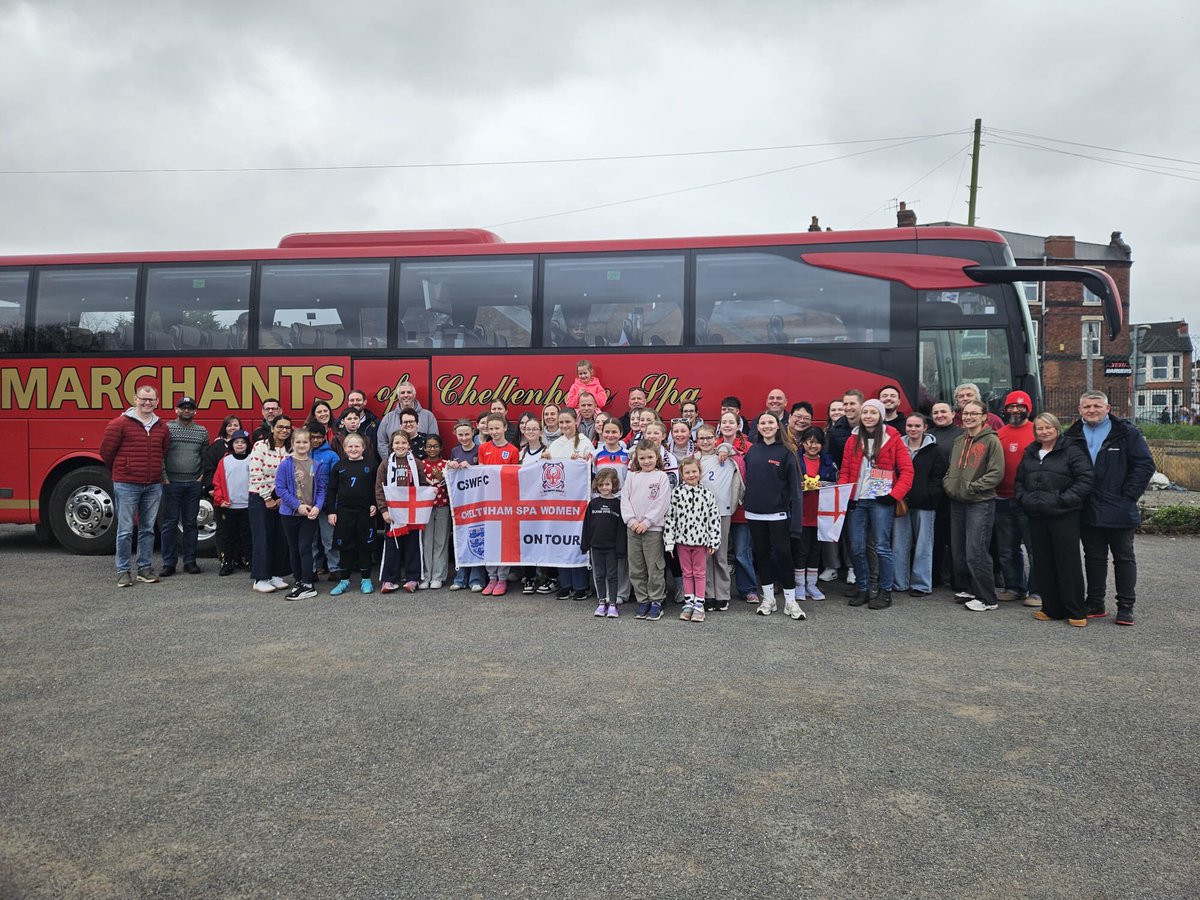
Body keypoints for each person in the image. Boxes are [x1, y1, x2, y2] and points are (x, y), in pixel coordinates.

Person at [1062, 390, 1155, 625]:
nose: (1092, 410)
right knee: (1093, 557)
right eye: (1087, 406)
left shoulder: (1126, 433)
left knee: (1123, 558)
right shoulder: (1071, 435)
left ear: (1108, 408)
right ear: (1080, 409)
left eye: (1097, 406)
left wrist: (1128, 496)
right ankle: (1095, 602)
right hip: (1087, 507)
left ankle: (1125, 606)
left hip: (1118, 507)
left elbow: (1144, 465)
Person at [1015, 413, 1094, 627]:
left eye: (1048, 427)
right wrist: (1025, 499)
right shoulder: (1031, 452)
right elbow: (1020, 480)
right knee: (1043, 563)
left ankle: (1076, 610)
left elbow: (1085, 480)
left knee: (1067, 562)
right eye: (1040, 428)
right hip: (1037, 515)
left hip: (1063, 515)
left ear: (1057, 428)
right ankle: (1051, 608)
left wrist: (1063, 500)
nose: (1044, 431)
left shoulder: (1071, 451)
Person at [838, 399, 913, 610]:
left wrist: (894, 495)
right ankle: (863, 587)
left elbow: (907, 470)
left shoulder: (893, 438)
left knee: (882, 547)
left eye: (873, 412)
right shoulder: (852, 439)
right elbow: (845, 471)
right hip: (857, 501)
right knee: (856, 546)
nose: (868, 416)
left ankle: (884, 591)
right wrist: (846, 496)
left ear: (880, 415)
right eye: (865, 412)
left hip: (882, 501)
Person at [100, 384, 171, 586]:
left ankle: (144, 569)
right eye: (143, 399)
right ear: (135, 399)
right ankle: (123, 571)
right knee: (125, 530)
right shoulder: (119, 424)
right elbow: (107, 453)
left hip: (153, 485)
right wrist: (124, 469)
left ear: (157, 402)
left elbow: (163, 452)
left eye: (151, 400)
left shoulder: (161, 427)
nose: (147, 403)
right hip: (127, 484)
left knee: (148, 529)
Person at [943, 399, 1005, 612]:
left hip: (980, 502)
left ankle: (987, 598)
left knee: (976, 551)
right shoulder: (959, 441)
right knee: (959, 549)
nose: (969, 417)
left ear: (984, 417)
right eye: (966, 413)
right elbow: (951, 468)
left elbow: (996, 473)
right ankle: (968, 589)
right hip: (957, 501)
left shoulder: (991, 441)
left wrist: (973, 487)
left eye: (974, 413)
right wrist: (949, 484)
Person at [744, 411, 804, 619]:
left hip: (778, 515)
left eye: (771, 422)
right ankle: (768, 599)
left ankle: (790, 601)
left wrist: (796, 524)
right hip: (754, 514)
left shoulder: (787, 452)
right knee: (761, 557)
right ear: (758, 427)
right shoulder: (752, 452)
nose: (767, 426)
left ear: (778, 426)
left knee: (784, 557)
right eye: (763, 423)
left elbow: (796, 491)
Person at [891, 414, 946, 598]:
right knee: (899, 545)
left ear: (925, 428)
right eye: (909, 425)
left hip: (925, 505)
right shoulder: (896, 446)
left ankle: (921, 585)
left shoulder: (935, 450)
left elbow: (938, 478)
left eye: (917, 426)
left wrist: (927, 496)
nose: (913, 429)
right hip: (900, 502)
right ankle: (899, 583)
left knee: (923, 546)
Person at [664, 457, 722, 623]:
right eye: (687, 472)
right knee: (687, 573)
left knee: (699, 573)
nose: (691, 475)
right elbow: (670, 518)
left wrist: (713, 541)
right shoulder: (676, 493)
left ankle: (699, 604)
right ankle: (689, 602)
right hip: (682, 542)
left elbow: (714, 519)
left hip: (700, 542)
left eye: (694, 471)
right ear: (682, 475)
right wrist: (669, 541)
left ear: (699, 473)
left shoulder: (707, 494)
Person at [545, 408, 595, 600]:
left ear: (576, 422)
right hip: (558, 501)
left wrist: (581, 461)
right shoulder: (555, 444)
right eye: (561, 423)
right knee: (561, 541)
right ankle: (565, 584)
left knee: (576, 541)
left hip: (578, 500)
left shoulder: (584, 442)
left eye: (567, 422)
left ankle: (581, 585)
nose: (564, 426)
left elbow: (590, 468)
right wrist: (545, 458)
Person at [994, 391, 1037, 604]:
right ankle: (1014, 587)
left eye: (1020, 407)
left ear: (1028, 409)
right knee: (1007, 547)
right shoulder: (999, 433)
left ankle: (1038, 591)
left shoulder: (1037, 431)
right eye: (1011, 406)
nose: (1015, 410)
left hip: (1027, 499)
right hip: (1001, 498)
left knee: (1033, 547)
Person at [159, 396, 209, 576]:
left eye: (190, 408)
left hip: (193, 484)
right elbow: (160, 454)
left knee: (190, 524)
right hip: (171, 483)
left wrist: (201, 476)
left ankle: (190, 561)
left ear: (195, 411)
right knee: (169, 524)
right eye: (183, 407)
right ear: (176, 410)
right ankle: (169, 563)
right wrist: (164, 477)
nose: (186, 410)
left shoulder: (202, 431)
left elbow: (205, 456)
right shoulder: (166, 428)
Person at [275, 426, 327, 601]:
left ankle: (308, 583)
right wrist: (297, 506)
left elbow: (321, 490)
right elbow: (281, 489)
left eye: (305, 442)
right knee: (294, 548)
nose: (302, 445)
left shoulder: (316, 465)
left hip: (309, 515)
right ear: (292, 443)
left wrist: (317, 507)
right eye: (298, 442)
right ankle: (298, 580)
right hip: (290, 514)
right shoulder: (285, 464)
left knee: (305, 547)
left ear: (310, 444)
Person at [622, 440, 672, 621]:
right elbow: (624, 500)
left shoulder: (661, 477)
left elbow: (662, 502)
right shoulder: (632, 476)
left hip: (653, 529)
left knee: (654, 566)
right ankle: (643, 599)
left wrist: (648, 521)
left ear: (657, 457)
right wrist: (632, 521)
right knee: (636, 566)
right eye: (642, 458)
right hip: (633, 528)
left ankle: (656, 600)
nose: (647, 461)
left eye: (650, 457)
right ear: (637, 459)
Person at [697, 423, 744, 612]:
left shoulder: (725, 457)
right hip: (700, 514)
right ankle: (708, 594)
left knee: (720, 556)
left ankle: (723, 594)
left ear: (715, 438)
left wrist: (724, 447)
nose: (706, 441)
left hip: (722, 512)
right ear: (697, 441)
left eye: (709, 438)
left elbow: (738, 454)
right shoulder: (696, 459)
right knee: (705, 557)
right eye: (702, 438)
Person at [376, 430, 427, 594]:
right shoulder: (385, 464)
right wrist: (383, 510)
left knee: (413, 545)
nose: (400, 446)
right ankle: (389, 579)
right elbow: (379, 489)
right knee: (392, 546)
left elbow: (423, 485)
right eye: (397, 443)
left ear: (409, 445)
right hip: (392, 512)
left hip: (412, 512)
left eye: (403, 443)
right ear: (392, 445)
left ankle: (413, 578)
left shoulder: (417, 463)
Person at [326, 433, 377, 596]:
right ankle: (344, 580)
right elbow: (332, 490)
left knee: (365, 547)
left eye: (357, 446)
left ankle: (366, 579)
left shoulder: (372, 465)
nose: (353, 449)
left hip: (364, 513)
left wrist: (375, 504)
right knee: (345, 547)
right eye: (350, 446)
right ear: (344, 448)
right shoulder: (339, 466)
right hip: (344, 513)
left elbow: (378, 489)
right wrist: (331, 511)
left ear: (363, 448)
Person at [248, 416, 293, 594]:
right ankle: (260, 577)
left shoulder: (290, 449)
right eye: (280, 427)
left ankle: (276, 574)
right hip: (260, 496)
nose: (284, 430)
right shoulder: (260, 447)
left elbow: (293, 474)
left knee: (280, 537)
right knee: (263, 537)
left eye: (287, 427)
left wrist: (283, 497)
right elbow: (255, 473)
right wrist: (267, 498)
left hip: (282, 496)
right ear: (272, 428)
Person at [477, 413, 520, 596]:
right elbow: (479, 474)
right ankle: (491, 577)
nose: (494, 432)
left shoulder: (512, 450)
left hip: (506, 502)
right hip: (488, 501)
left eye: (497, 428)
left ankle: (502, 578)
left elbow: (514, 477)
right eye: (491, 428)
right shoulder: (483, 448)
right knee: (490, 540)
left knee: (505, 540)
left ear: (504, 428)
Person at [793, 426, 837, 601]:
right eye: (809, 442)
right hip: (801, 513)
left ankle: (812, 584)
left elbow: (836, 483)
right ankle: (799, 585)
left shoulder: (828, 462)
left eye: (817, 442)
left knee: (815, 551)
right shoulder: (795, 459)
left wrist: (822, 484)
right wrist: (802, 486)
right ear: (803, 442)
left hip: (821, 515)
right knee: (801, 550)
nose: (813, 446)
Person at [446, 419, 486, 593]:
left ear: (473, 432)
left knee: (477, 539)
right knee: (461, 539)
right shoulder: (454, 451)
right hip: (461, 503)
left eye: (467, 434)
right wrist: (450, 465)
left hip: (478, 501)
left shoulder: (480, 450)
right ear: (456, 434)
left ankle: (476, 579)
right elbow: (448, 474)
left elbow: (485, 471)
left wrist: (471, 467)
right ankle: (460, 577)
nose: (464, 438)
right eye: (460, 435)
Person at [581, 468, 626, 619]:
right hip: (596, 546)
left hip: (612, 547)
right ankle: (601, 603)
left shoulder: (618, 504)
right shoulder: (593, 503)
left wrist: (621, 548)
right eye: (601, 485)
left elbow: (621, 529)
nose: (604, 488)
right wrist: (585, 544)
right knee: (599, 575)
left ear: (613, 485)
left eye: (607, 484)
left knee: (612, 575)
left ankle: (612, 604)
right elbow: (587, 525)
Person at [929, 401, 964, 590]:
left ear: (952, 414)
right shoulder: (929, 435)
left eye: (943, 411)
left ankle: (957, 580)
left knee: (955, 540)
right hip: (935, 495)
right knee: (935, 538)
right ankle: (934, 577)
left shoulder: (961, 435)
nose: (940, 415)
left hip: (954, 494)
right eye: (936, 412)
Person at [212, 429, 253, 575]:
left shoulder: (253, 460)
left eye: (243, 442)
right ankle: (226, 562)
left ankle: (249, 561)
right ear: (232, 445)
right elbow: (217, 483)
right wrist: (220, 500)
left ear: (248, 445)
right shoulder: (225, 461)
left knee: (248, 535)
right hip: (228, 506)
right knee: (227, 536)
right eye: (237, 442)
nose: (240, 445)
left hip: (248, 505)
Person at [309, 424, 341, 582]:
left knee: (329, 538)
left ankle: (334, 568)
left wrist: (333, 504)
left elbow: (337, 481)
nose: (315, 440)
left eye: (318, 437)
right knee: (311, 539)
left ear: (324, 437)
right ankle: (312, 568)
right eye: (312, 437)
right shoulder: (302, 453)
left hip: (327, 503)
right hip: (307, 504)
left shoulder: (331, 456)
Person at [376, 379, 439, 458]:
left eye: (409, 392)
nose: (406, 395)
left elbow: (434, 441)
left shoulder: (428, 416)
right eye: (402, 393)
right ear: (398, 396)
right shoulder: (388, 418)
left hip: (421, 466)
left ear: (414, 395)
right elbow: (382, 443)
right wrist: (391, 461)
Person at [419, 434, 450, 590]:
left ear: (441, 448)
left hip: (443, 506)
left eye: (435, 446)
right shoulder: (420, 465)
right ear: (424, 448)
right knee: (426, 541)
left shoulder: (447, 465)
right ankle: (425, 575)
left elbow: (452, 487)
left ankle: (438, 576)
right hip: (425, 509)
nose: (432, 449)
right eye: (429, 446)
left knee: (441, 541)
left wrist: (442, 478)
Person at [202, 414, 242, 497]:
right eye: (229, 425)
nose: (233, 428)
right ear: (224, 428)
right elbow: (209, 468)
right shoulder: (216, 446)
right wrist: (210, 487)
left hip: (241, 488)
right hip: (220, 488)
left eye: (236, 425)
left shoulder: (246, 445)